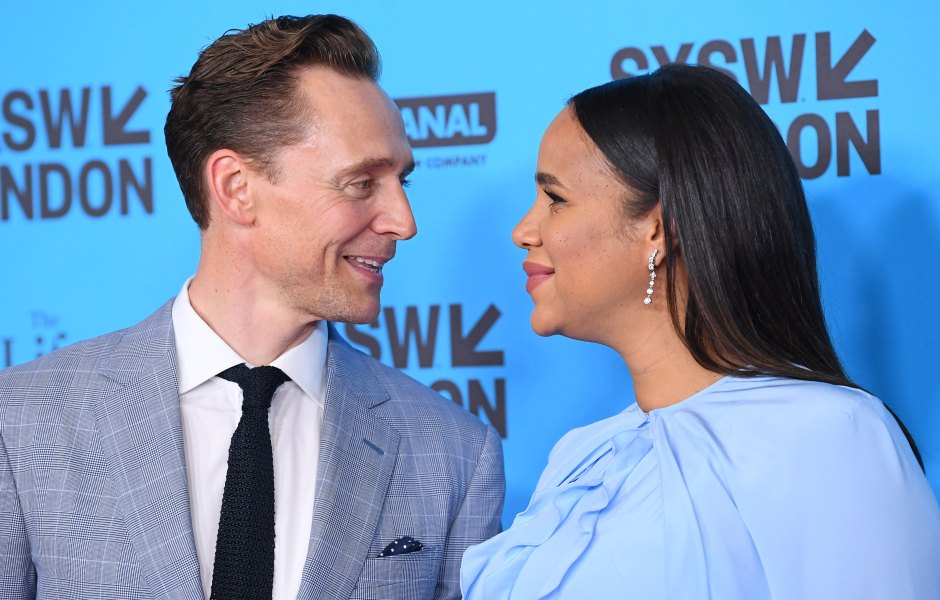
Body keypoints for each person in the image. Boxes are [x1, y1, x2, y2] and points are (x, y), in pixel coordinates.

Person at [0, 15, 504, 600]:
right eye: (362, 183)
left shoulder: (453, 451)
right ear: (237, 188)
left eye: (401, 183)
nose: (404, 223)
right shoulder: (22, 422)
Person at [460, 64, 940, 599]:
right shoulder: (583, 455)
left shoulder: (831, 435)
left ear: (658, 229)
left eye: (556, 198)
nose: (523, 231)